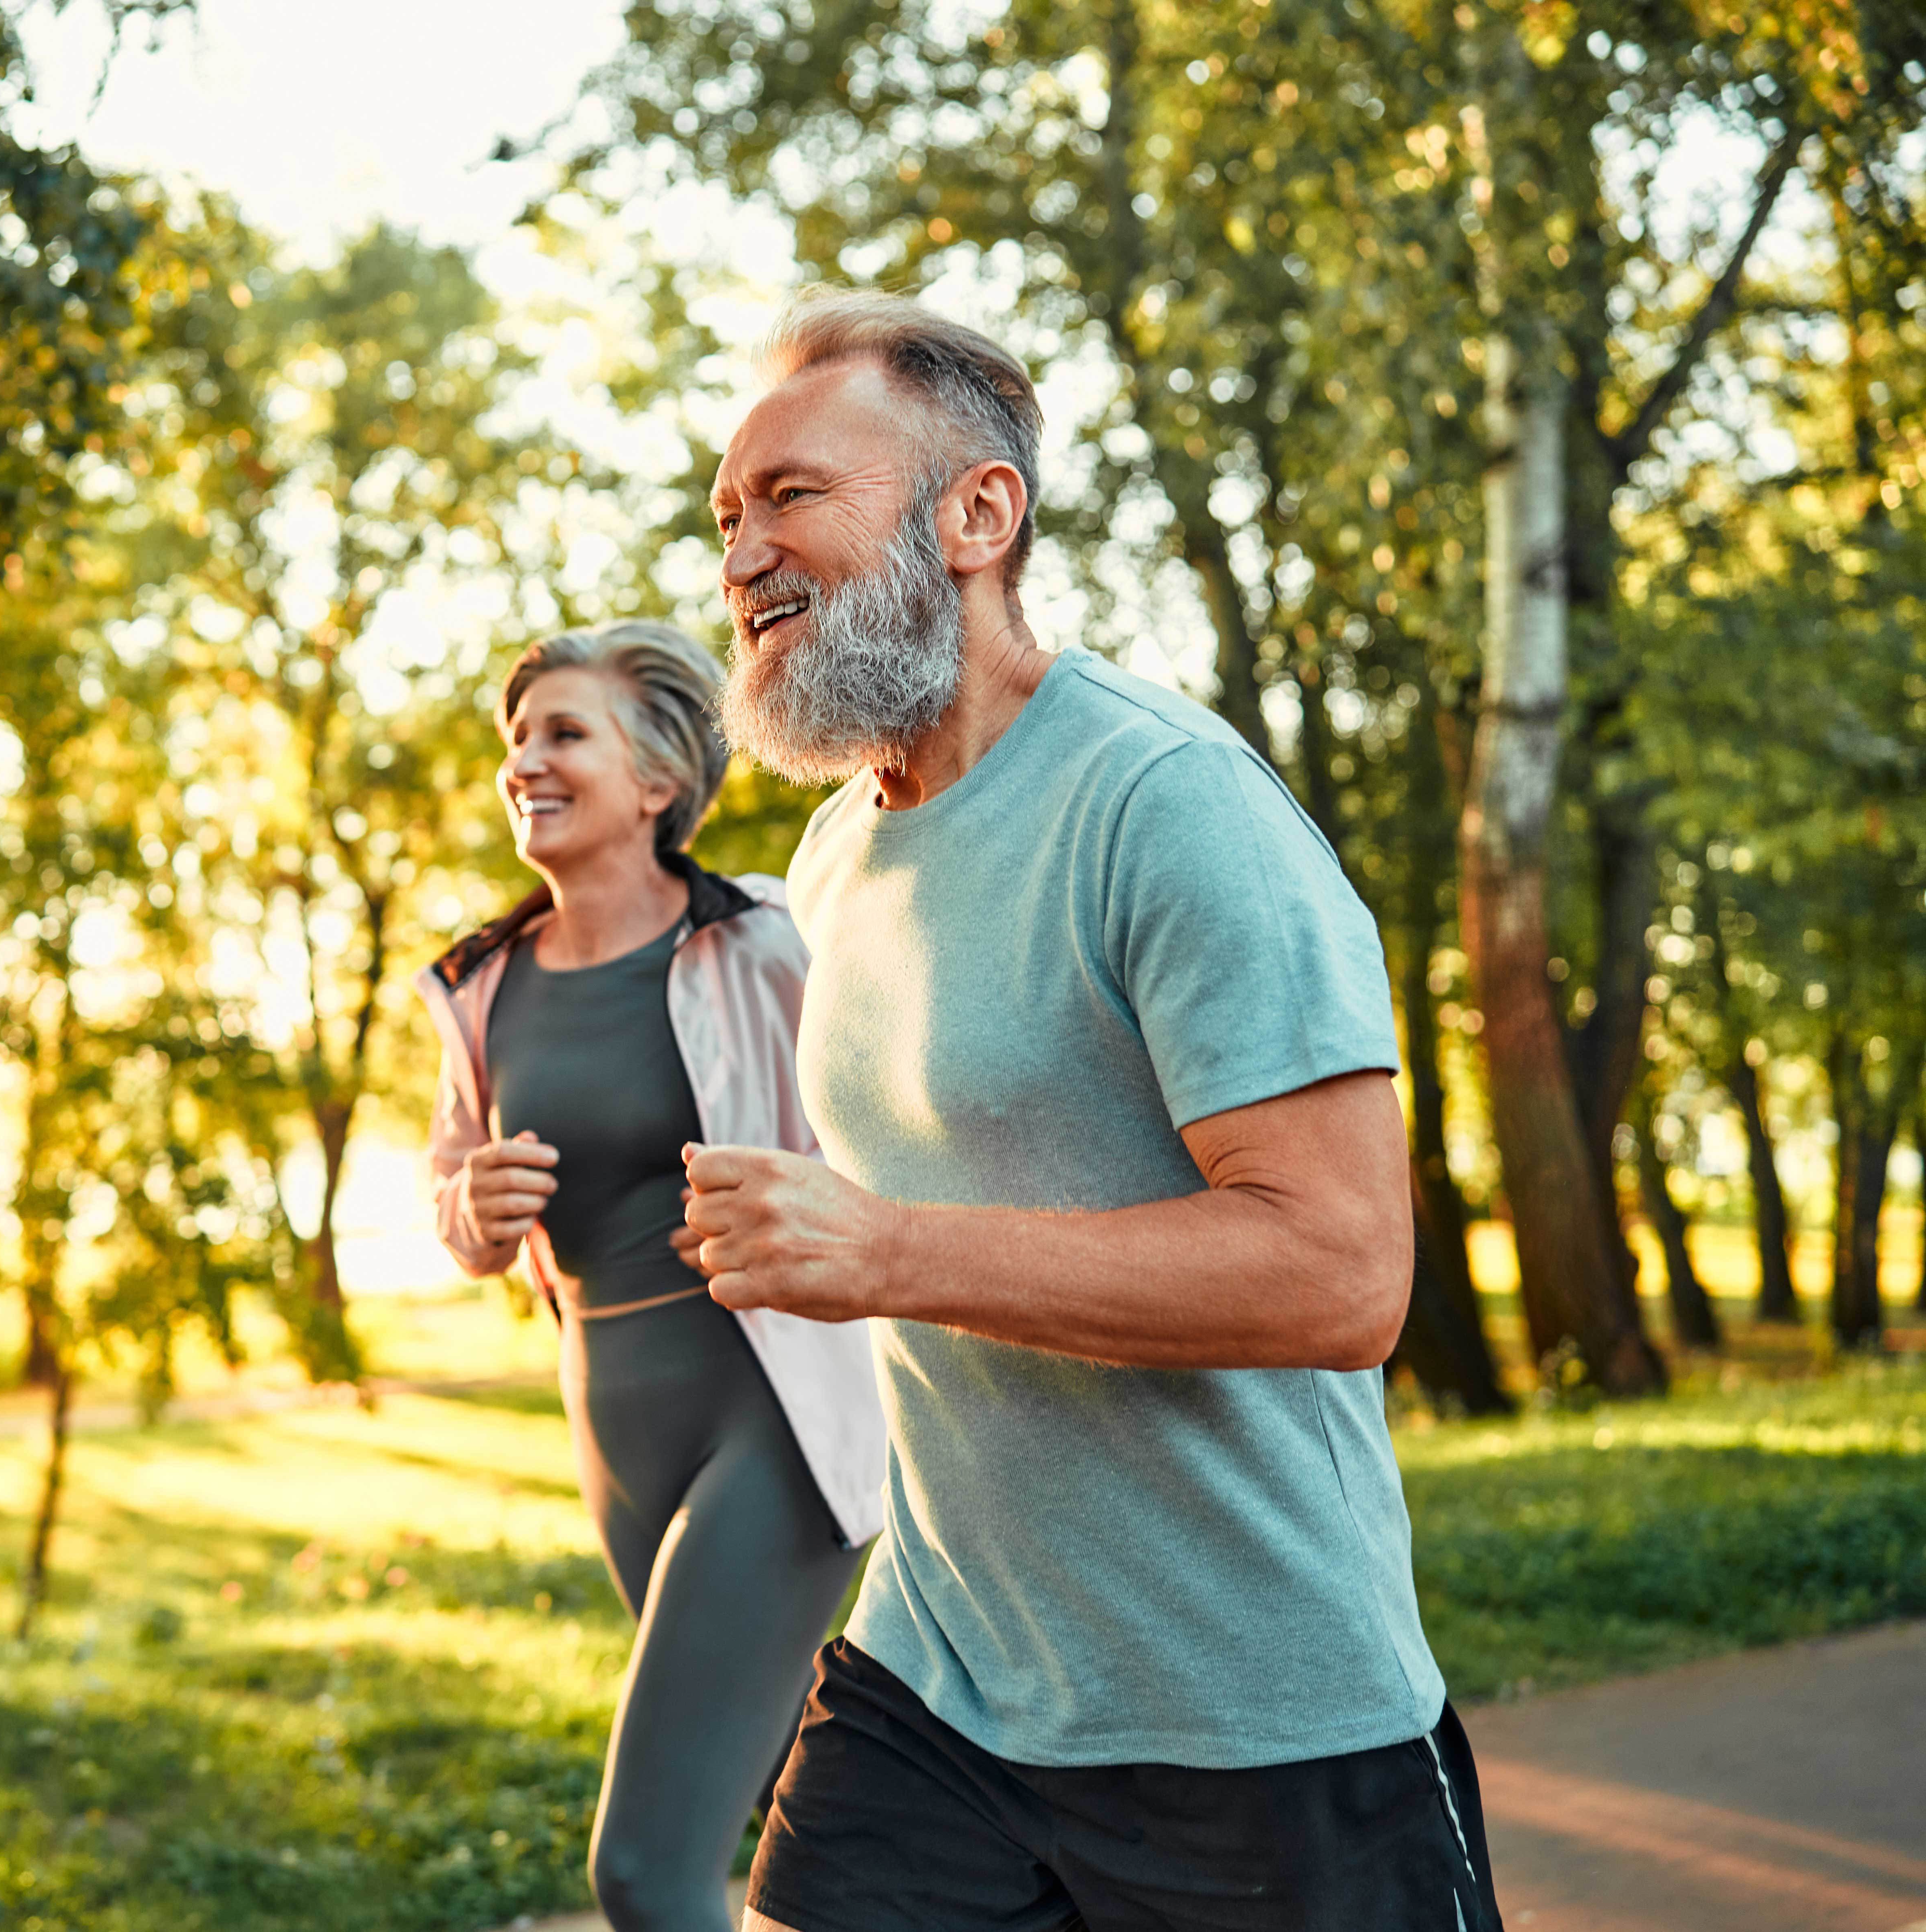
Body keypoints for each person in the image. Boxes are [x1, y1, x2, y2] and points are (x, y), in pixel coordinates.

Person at [681, 287, 1505, 1932]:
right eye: (723, 517)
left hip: (1255, 1709)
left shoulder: (1167, 807)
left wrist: (891, 1252)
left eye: (791, 497)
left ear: (978, 514)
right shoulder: (842, 853)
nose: (741, 556)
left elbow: (1342, 1275)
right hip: (944, 1670)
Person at [417, 621, 887, 1932]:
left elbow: (888, 1135)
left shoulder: (770, 940)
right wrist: (472, 1205)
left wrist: (790, 1209)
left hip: (772, 1409)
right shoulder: (480, 985)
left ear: (659, 781)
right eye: (517, 740)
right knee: (800, 1806)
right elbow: (452, 1195)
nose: (526, 762)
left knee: (645, 1870)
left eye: (564, 733)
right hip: (615, 1418)